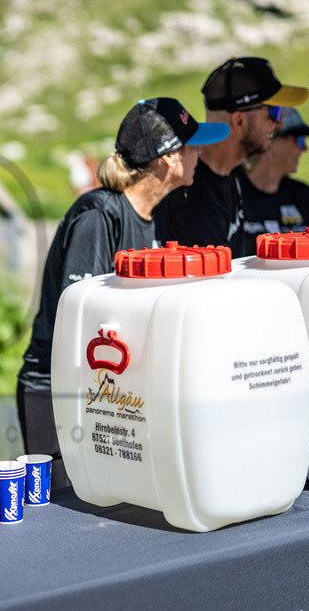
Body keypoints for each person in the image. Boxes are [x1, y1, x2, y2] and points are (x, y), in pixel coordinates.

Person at [17, 98, 229, 488]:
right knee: (66, 512)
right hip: (58, 393)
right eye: (193, 145)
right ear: (169, 159)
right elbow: (77, 319)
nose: (200, 154)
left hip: (111, 390)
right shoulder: (99, 214)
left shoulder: (159, 214)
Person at [154, 57, 309, 257]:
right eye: (274, 112)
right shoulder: (189, 192)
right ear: (239, 120)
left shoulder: (230, 172)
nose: (279, 124)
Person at [236, 107, 309, 250]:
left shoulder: (302, 194)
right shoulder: (232, 190)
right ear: (270, 142)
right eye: (299, 140)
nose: (304, 148)